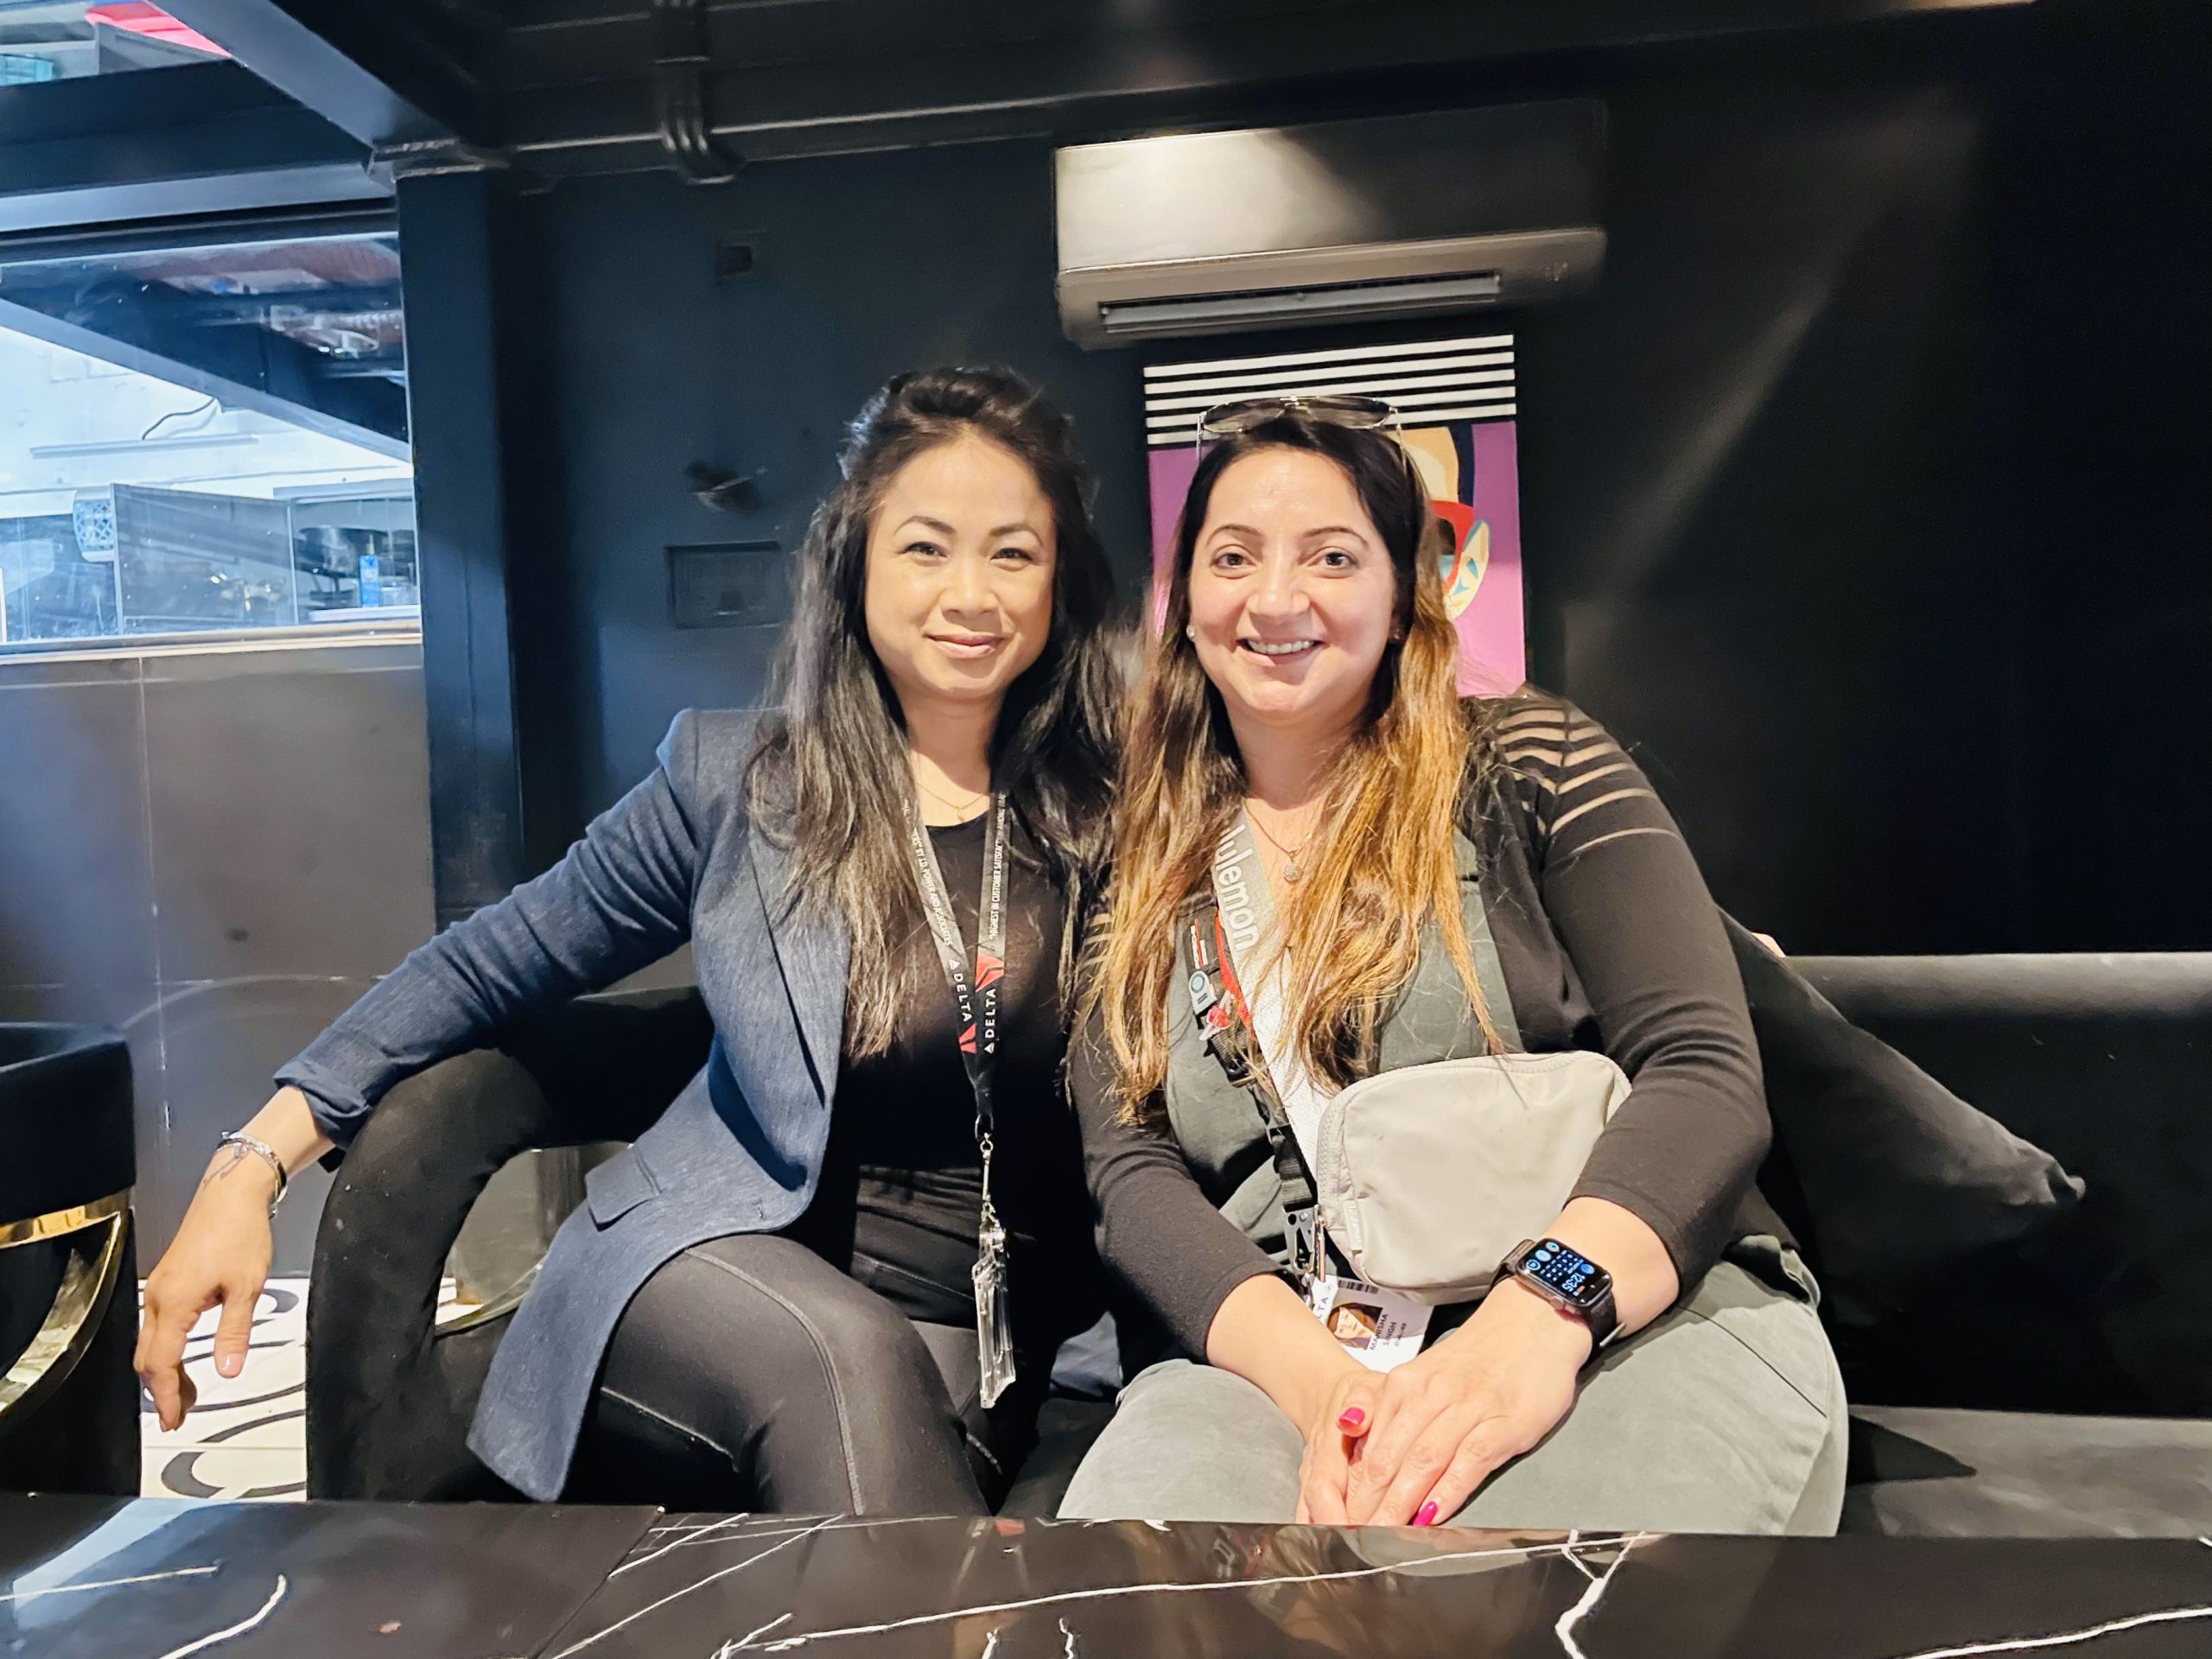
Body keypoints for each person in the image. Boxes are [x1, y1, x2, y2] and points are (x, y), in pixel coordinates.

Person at [137, 365, 1124, 1513]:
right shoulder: (739, 781)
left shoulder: (1116, 805)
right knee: (847, 1360)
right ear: (854, 560)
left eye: (1013, 553)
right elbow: (486, 964)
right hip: (717, 1271)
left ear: (1059, 578)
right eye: (926, 548)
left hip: (991, 1334)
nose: (972, 591)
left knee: (888, 1405)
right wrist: (248, 1167)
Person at [1062, 399, 1847, 1534]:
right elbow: (1131, 1177)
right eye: (1233, 557)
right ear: (1184, 603)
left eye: (1332, 557)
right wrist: (1332, 1397)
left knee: (1505, 1606)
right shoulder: (1130, 856)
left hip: (1614, 1320)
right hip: (1284, 1359)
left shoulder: (1533, 762)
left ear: (1401, 601)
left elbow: (1702, 1070)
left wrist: (1532, 1327)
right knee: (1140, 1602)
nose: (1275, 598)